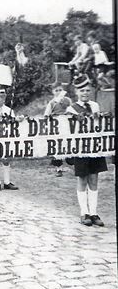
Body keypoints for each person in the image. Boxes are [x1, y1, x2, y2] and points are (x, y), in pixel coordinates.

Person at [66, 75, 107, 227]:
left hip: (95, 148)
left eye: (88, 90)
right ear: (76, 92)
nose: (85, 93)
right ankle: (84, 212)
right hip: (80, 149)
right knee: (82, 179)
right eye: (82, 90)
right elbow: (67, 129)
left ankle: (94, 212)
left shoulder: (95, 106)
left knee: (94, 179)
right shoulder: (71, 108)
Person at [44, 81, 72, 177]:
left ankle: (71, 161)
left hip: (67, 124)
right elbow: (46, 114)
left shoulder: (67, 100)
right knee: (57, 147)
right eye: (56, 90)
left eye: (60, 90)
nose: (59, 92)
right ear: (53, 92)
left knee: (69, 143)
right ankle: (58, 169)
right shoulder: (52, 103)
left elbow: (72, 110)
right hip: (56, 125)